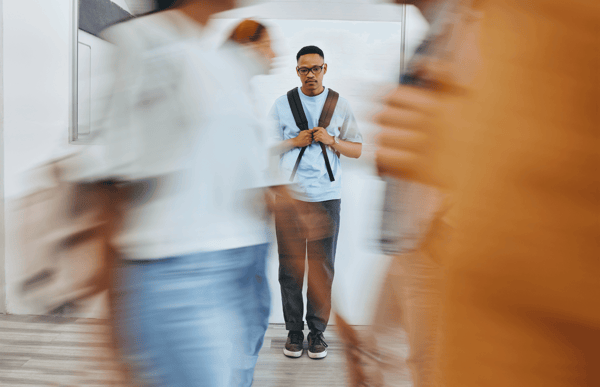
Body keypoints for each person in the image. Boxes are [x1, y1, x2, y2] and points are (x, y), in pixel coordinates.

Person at [376, 0, 600, 386]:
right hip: (435, 248)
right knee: (414, 358)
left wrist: (469, 149)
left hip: (495, 278)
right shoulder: (469, 20)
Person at [70, 0, 282, 385]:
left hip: (237, 263)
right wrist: (111, 323)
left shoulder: (219, 60)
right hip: (176, 270)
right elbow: (111, 183)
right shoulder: (142, 41)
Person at [269, 45, 363, 359]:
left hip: (327, 198)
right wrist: (293, 141)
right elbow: (266, 149)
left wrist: (332, 141)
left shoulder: (340, 104)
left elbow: (357, 149)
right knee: (290, 268)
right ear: (296, 71)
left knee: (322, 269)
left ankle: (317, 334)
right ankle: (294, 333)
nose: (310, 74)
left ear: (325, 68)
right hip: (290, 198)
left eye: (316, 68)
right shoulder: (282, 104)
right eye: (303, 69)